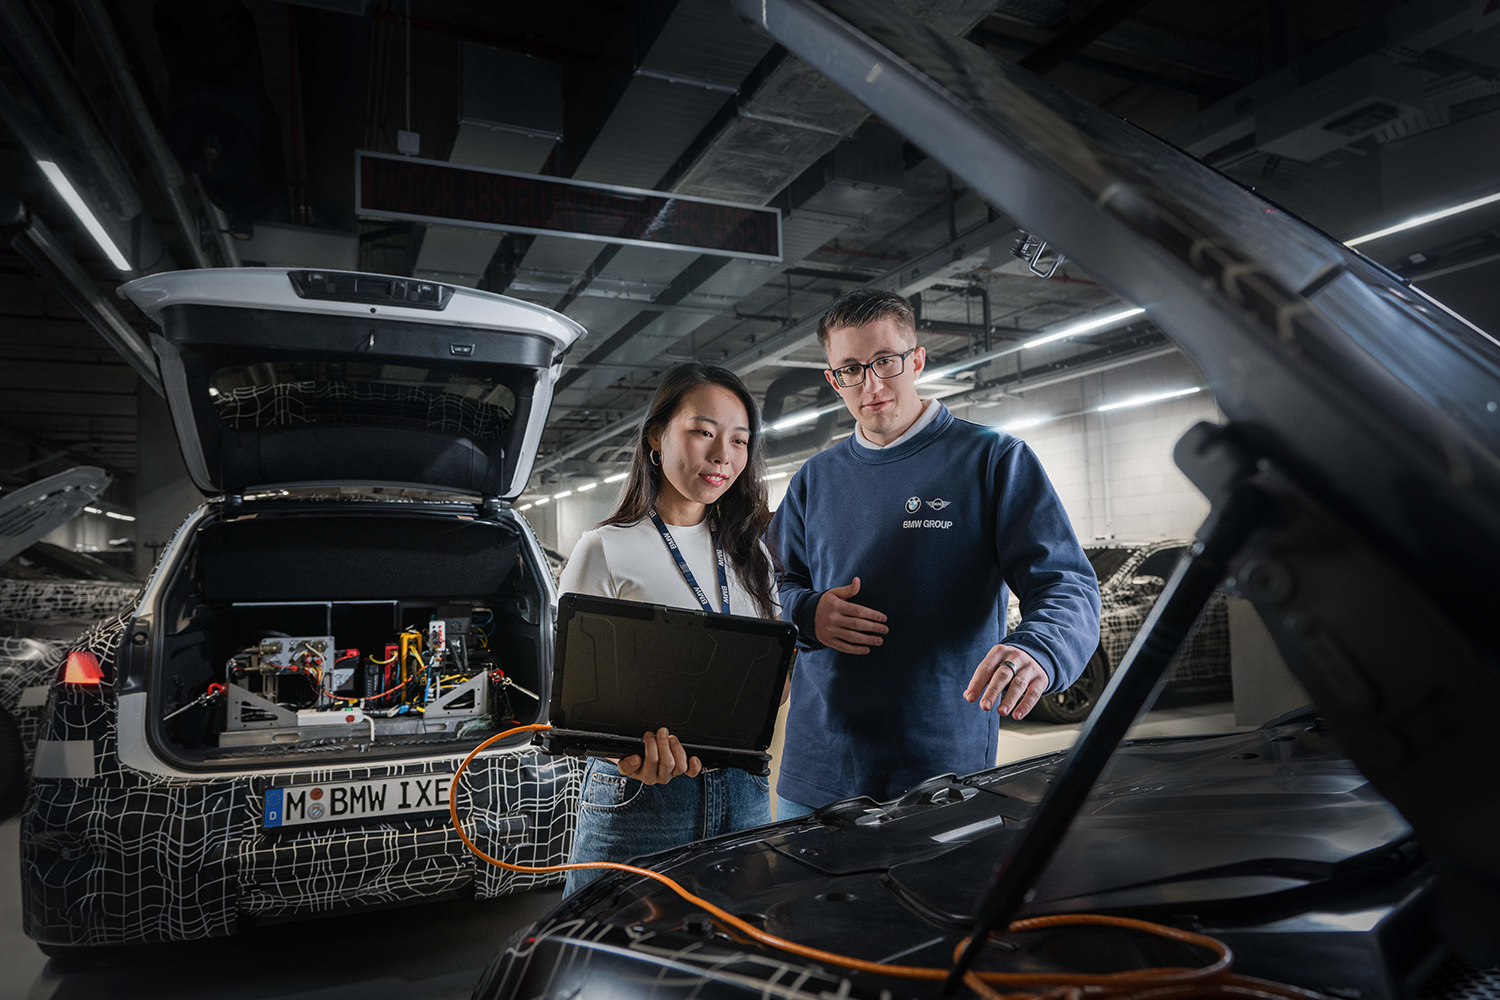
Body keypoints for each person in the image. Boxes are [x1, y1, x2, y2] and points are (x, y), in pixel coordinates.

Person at [772, 289, 1101, 819]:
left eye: (884, 361)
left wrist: (1040, 648)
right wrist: (808, 613)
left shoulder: (993, 459)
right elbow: (770, 586)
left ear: (917, 360)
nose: (871, 384)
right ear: (834, 380)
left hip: (940, 767)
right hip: (817, 769)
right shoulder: (815, 479)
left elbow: (1066, 584)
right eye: (851, 369)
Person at [557, 362, 780, 895]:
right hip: (642, 798)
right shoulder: (605, 548)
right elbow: (573, 701)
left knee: (734, 955)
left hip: (745, 792)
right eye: (703, 432)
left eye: (740, 440)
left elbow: (774, 676)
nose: (723, 455)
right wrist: (625, 757)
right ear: (656, 437)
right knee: (603, 952)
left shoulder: (751, 554)